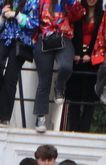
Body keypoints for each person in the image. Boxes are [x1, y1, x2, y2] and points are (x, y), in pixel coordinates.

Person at [30, 0, 83, 133]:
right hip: (45, 39)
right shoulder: (41, 1)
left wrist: (71, 3)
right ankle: (40, 117)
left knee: (66, 67)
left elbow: (79, 14)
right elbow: (33, 18)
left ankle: (59, 88)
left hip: (64, 38)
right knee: (44, 81)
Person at [0, 0, 40, 127]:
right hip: (5, 38)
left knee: (10, 77)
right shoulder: (4, 1)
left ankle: (4, 117)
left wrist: (17, 15)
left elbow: (34, 24)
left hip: (21, 42)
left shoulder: (33, 2)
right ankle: (0, 90)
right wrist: (2, 16)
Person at [66, 0, 101, 132]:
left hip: (93, 59)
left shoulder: (103, 15)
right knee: (73, 95)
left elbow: (101, 37)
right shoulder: (78, 13)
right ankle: (73, 129)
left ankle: (85, 130)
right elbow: (71, 34)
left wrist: (91, 54)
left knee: (90, 96)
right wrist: (76, 53)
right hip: (76, 58)